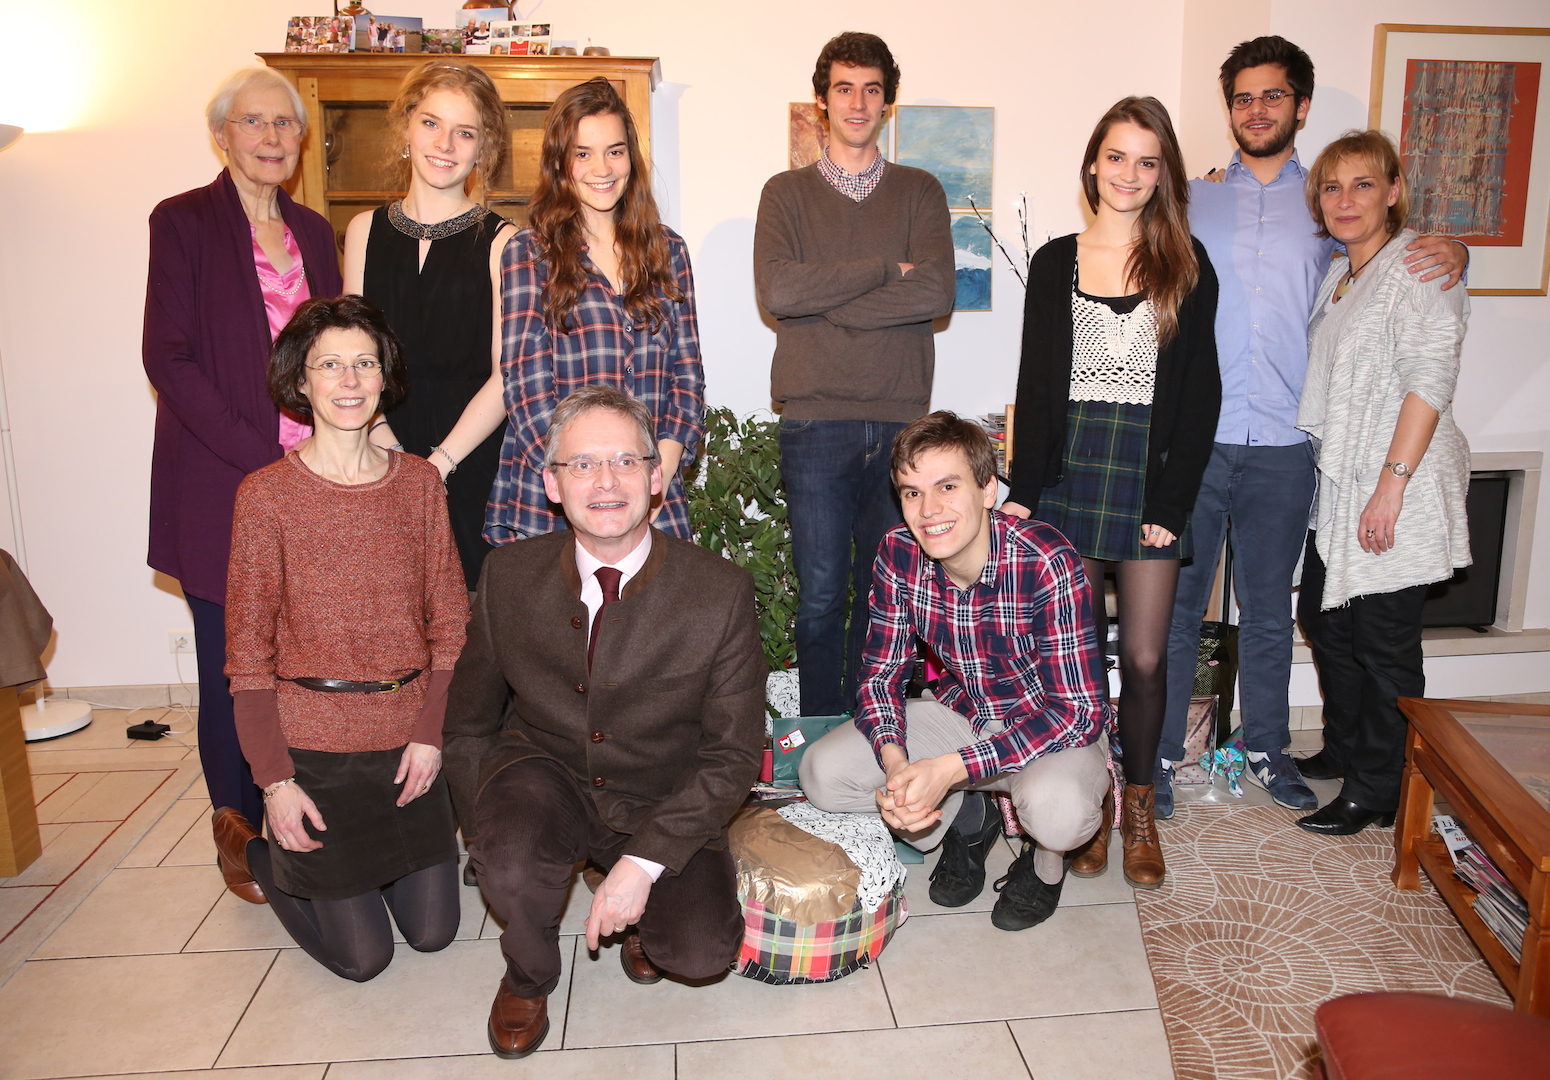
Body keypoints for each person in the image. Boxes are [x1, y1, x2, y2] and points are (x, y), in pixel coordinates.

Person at [1155, 36, 1469, 820]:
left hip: (1288, 448)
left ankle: (1268, 745)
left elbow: (1399, 265)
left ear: (1299, 105)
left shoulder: (1324, 205)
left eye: (1273, 95)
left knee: (1270, 612)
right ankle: (1159, 754)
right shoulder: (1193, 198)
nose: (1256, 109)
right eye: (1243, 97)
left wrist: (1458, 249)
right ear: (1230, 109)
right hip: (1198, 443)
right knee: (1177, 609)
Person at [444, 385, 765, 1059]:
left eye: (624, 461)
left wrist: (643, 865)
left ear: (655, 477)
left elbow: (733, 756)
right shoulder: (507, 576)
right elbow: (468, 724)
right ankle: (527, 975)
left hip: (661, 794)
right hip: (544, 777)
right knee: (512, 856)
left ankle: (629, 892)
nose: (606, 481)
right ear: (552, 484)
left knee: (701, 952)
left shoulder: (720, 591)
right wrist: (488, 832)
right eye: (583, 464)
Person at [214, 295, 469, 980]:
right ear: (301, 380)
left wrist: (430, 735)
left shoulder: (419, 484)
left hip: (407, 745)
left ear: (385, 376)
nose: (350, 380)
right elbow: (247, 657)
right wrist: (275, 783)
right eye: (330, 365)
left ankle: (356, 876)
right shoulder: (265, 496)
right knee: (363, 960)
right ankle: (257, 850)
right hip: (315, 753)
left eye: (365, 363)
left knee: (434, 934)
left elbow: (451, 623)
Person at [1002, 96, 1219, 890]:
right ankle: (1091, 809)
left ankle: (1143, 808)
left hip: (1147, 483)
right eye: (1117, 156)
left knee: (1148, 656)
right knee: (1081, 659)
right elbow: (1036, 383)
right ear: (1093, 163)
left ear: (1163, 174)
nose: (1129, 173)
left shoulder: (1186, 264)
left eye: (1147, 161)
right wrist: (1025, 489)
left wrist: (1171, 504)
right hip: (1071, 478)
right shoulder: (1055, 262)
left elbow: (1200, 396)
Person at [143, 66, 341, 905]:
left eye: (284, 124)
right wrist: (260, 453)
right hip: (223, 483)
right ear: (221, 135)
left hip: (317, 484)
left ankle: (308, 806)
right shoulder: (183, 221)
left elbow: (339, 348)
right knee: (237, 668)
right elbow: (169, 359)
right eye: (253, 122)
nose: (270, 137)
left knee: (309, 660)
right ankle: (237, 828)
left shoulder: (315, 232)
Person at [800, 412, 1112, 931]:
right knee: (822, 775)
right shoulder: (899, 552)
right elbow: (880, 676)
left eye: (947, 486)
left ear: (988, 490)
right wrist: (899, 768)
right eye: (913, 493)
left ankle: (1045, 863)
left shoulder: (1044, 559)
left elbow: (1078, 712)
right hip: (963, 715)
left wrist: (950, 770)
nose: (929, 511)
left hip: (1047, 731)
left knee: (1059, 814)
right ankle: (970, 818)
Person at [755, 31, 955, 718]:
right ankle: (817, 736)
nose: (858, 103)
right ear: (822, 100)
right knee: (818, 596)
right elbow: (780, 292)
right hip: (815, 422)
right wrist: (882, 271)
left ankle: (876, 733)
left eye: (872, 89)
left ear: (887, 102)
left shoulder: (920, 191)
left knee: (887, 596)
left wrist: (828, 304)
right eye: (844, 88)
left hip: (902, 422)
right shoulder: (785, 194)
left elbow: (936, 293)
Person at [1293, 130, 1471, 835]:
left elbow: (1431, 379)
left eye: (1363, 184)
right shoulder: (1342, 273)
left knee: (1384, 644)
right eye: (1332, 187)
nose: (1346, 200)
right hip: (1344, 485)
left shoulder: (1420, 267)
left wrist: (1391, 486)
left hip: (1400, 482)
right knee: (1327, 623)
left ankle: (1380, 788)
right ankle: (1346, 747)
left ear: (1393, 191)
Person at [484, 78, 704, 547]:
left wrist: (652, 480)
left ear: (631, 158)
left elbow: (687, 378)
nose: (602, 168)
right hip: (557, 496)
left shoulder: (669, 251)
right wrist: (584, 482)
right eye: (582, 153)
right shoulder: (529, 253)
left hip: (651, 493)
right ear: (559, 162)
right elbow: (525, 387)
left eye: (615, 151)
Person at [344, 61, 516, 592]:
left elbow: (507, 374)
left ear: (483, 148)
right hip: (377, 454)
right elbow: (353, 362)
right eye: (431, 123)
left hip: (472, 464)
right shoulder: (363, 231)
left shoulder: (505, 242)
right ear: (406, 128)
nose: (445, 144)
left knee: (473, 624)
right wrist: (390, 451)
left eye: (464, 132)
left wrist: (437, 465)